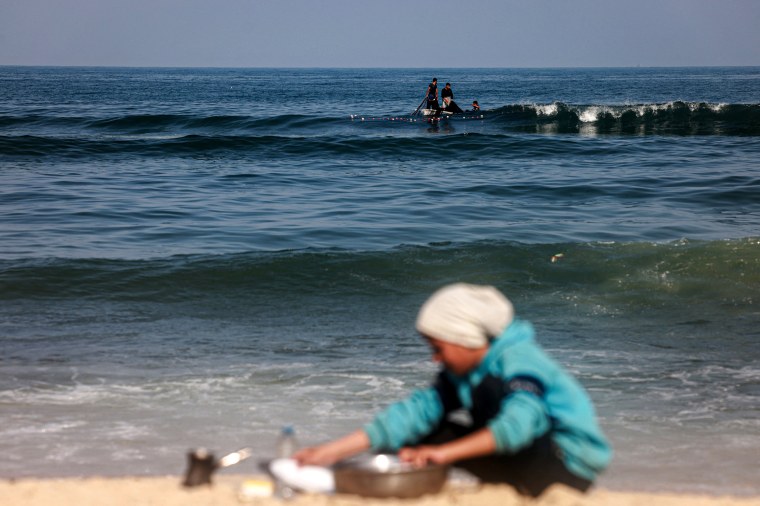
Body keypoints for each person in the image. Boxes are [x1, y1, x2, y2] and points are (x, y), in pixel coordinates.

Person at [294, 283, 612, 497]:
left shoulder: (520, 361)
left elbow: (519, 426)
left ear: (465, 339)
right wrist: (329, 452)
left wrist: (440, 454)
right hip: (519, 455)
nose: (434, 358)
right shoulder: (460, 371)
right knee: (421, 433)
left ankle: (520, 487)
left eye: (438, 348)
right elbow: (410, 415)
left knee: (448, 437)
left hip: (566, 464)